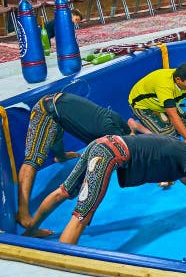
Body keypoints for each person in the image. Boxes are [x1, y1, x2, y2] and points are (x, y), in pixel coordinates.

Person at [24, 134, 186, 244]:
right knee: (82, 215)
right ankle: (62, 265)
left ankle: (31, 231)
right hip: (109, 155)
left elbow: (185, 177)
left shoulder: (178, 148)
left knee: (64, 191)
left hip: (100, 144)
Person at [16, 92, 151, 237]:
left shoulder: (120, 124)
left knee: (55, 134)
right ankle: (22, 212)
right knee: (33, 159)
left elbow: (132, 140)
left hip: (61, 106)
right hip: (46, 109)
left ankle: (60, 156)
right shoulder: (110, 136)